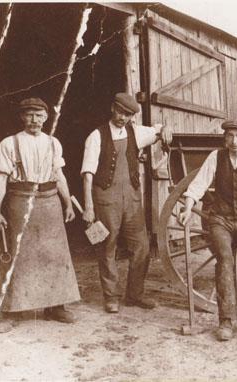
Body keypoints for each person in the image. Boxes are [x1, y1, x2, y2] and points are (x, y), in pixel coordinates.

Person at [179, 119, 237, 341]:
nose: (234, 141)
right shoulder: (216, 157)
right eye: (230, 136)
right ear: (225, 138)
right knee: (224, 259)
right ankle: (226, 321)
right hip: (220, 220)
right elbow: (198, 186)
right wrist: (187, 208)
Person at [0, 97, 80, 333]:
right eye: (29, 114)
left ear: (46, 117)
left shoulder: (53, 143)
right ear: (22, 117)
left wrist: (67, 204)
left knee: (55, 255)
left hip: (50, 201)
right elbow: (0, 180)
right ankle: (13, 311)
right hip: (20, 202)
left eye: (39, 115)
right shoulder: (9, 144)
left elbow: (59, 176)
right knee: (20, 257)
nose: (34, 119)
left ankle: (56, 307)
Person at [81, 93, 172, 313]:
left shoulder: (136, 132)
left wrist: (166, 129)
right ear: (113, 108)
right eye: (121, 112)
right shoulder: (96, 136)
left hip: (132, 198)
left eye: (129, 115)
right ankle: (111, 297)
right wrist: (89, 206)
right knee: (106, 246)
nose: (123, 117)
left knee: (141, 245)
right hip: (105, 198)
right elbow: (87, 174)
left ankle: (134, 294)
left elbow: (159, 130)